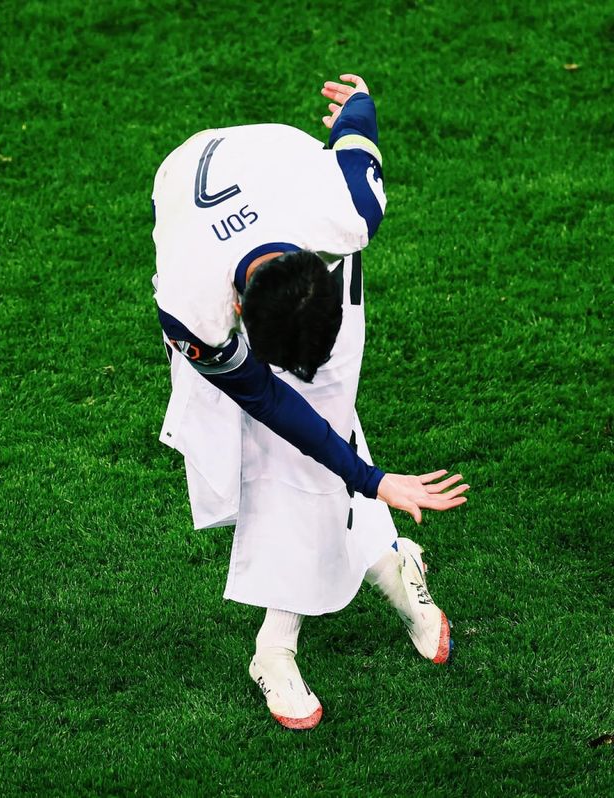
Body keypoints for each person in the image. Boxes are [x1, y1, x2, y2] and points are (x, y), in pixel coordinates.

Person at [151, 74, 469, 731]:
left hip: (278, 169)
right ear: (237, 312)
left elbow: (357, 135)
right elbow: (272, 403)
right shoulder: (192, 306)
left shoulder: (346, 211)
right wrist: (372, 479)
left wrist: (356, 105)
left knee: (302, 451)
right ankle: (389, 562)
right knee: (253, 446)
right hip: (186, 180)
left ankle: (276, 646)